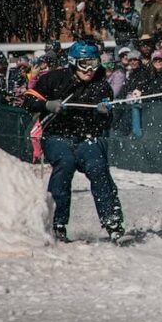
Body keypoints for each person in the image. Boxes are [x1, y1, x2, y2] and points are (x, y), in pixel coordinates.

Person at [22, 41, 124, 242]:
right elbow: (28, 100)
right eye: (85, 63)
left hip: (87, 137)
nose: (90, 69)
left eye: (94, 63)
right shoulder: (53, 79)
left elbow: (109, 120)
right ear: (73, 62)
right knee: (65, 164)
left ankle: (113, 221)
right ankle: (57, 223)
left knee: (98, 167)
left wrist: (105, 112)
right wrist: (47, 105)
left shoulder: (101, 85)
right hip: (57, 136)